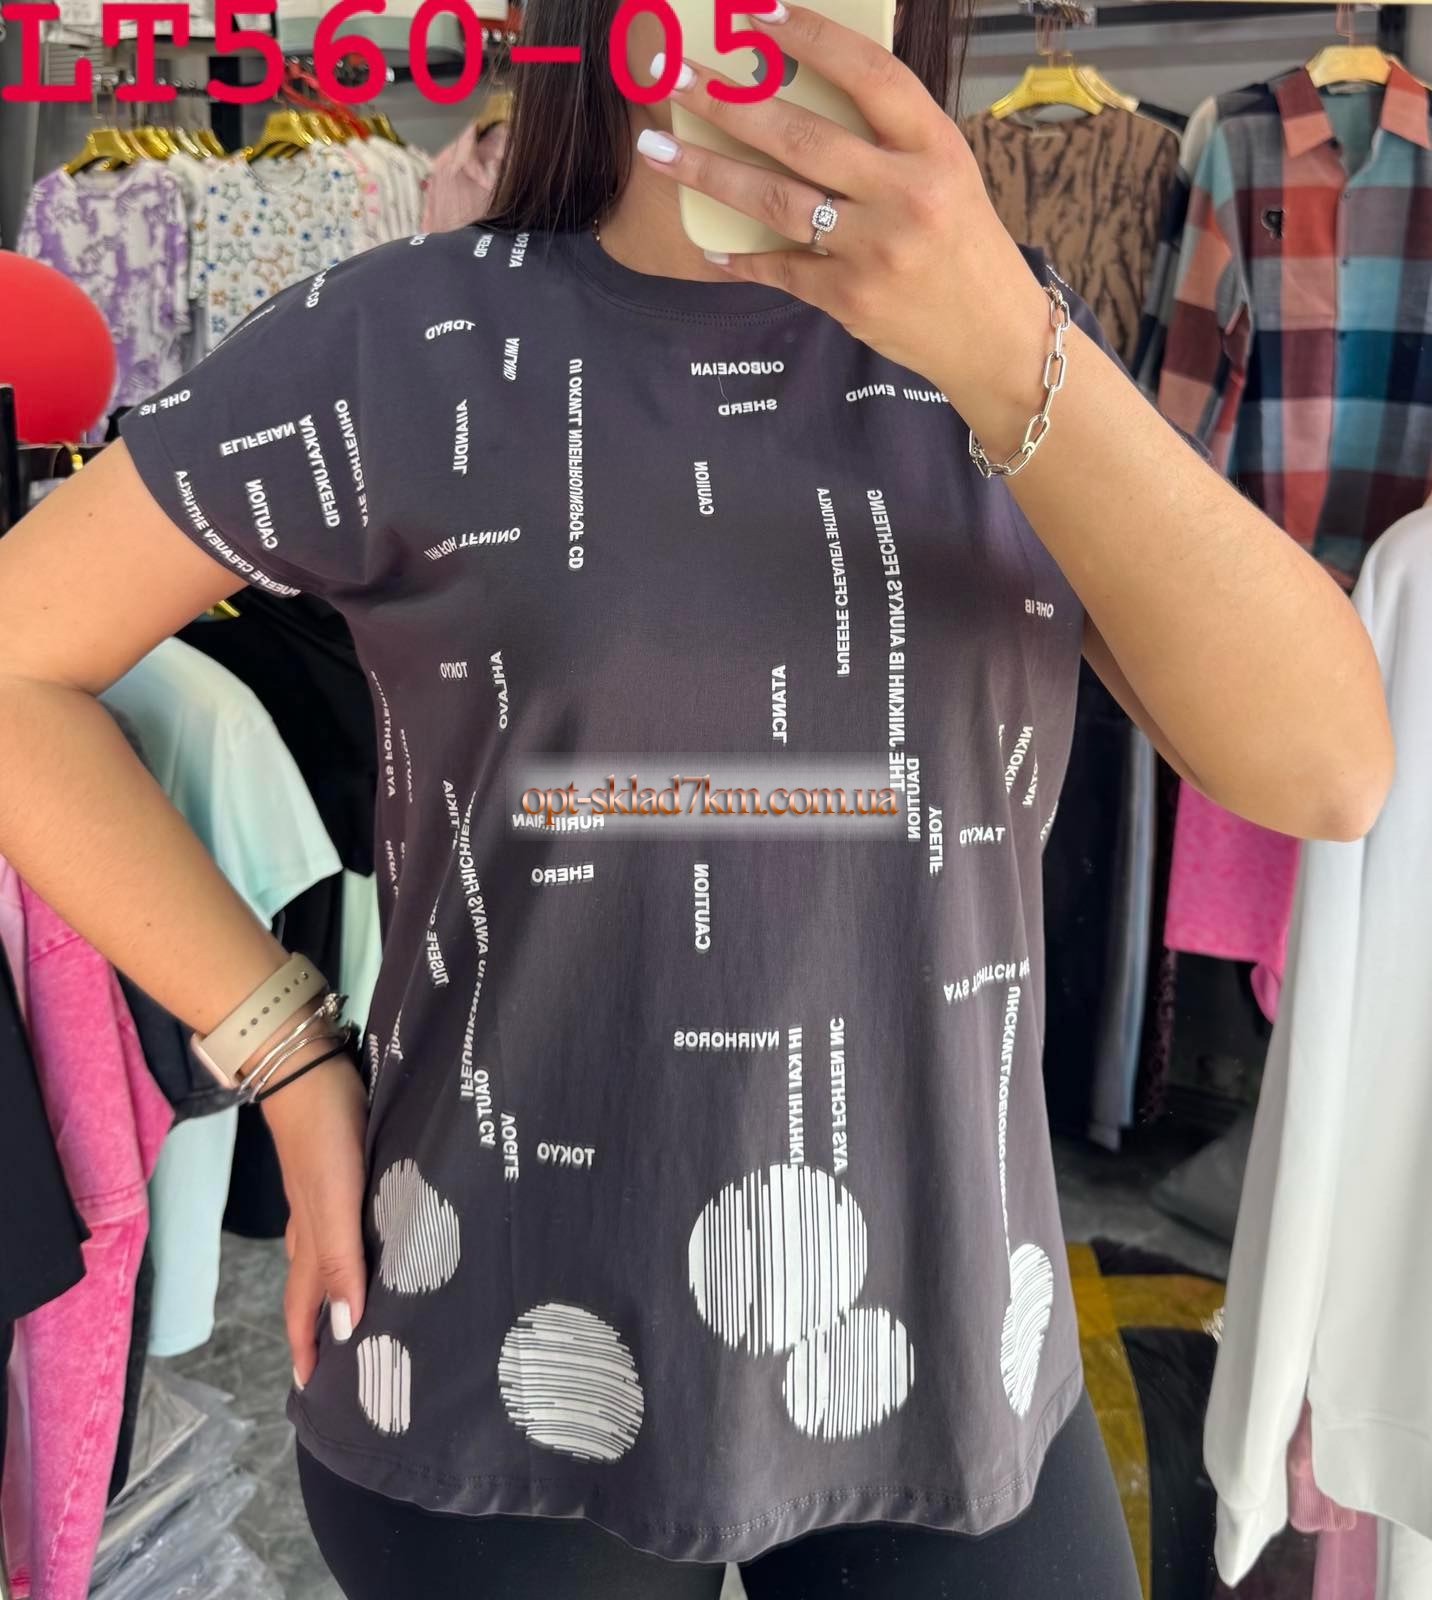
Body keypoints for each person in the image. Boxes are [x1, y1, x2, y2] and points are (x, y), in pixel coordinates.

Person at [0, 0, 1394, 1594]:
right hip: (503, 1332)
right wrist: (282, 1047)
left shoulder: (1015, 353)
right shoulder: (403, 342)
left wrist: (1008, 344)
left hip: (947, 1335)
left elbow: (1329, 767)